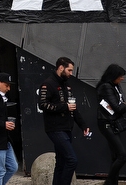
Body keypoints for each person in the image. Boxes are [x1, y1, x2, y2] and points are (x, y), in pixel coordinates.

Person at [39, 57, 90, 185]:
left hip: (67, 128)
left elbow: (73, 108)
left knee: (61, 162)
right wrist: (64, 106)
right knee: (71, 160)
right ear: (61, 67)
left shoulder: (66, 85)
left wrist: (83, 125)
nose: (71, 73)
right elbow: (43, 104)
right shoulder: (48, 83)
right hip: (55, 128)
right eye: (69, 70)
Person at [97, 64, 126, 185]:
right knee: (123, 155)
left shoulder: (115, 86)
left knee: (116, 156)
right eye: (120, 76)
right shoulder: (106, 87)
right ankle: (109, 181)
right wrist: (124, 105)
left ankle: (112, 183)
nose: (122, 78)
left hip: (113, 122)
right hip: (107, 122)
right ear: (113, 76)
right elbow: (118, 107)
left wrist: (121, 105)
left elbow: (118, 104)